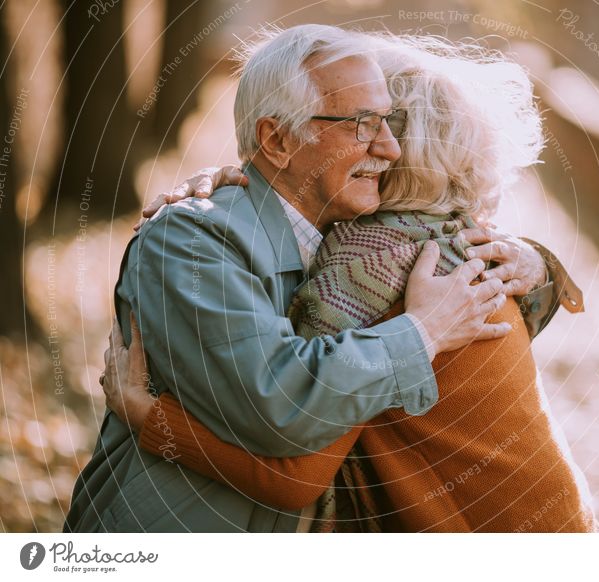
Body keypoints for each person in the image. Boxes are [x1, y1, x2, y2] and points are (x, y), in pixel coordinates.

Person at [63, 25, 565, 533]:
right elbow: (278, 408)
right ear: (278, 138)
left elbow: (294, 475)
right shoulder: (199, 241)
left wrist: (536, 262)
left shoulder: (374, 260)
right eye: (363, 124)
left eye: (390, 123)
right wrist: (422, 332)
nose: (387, 147)